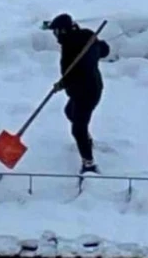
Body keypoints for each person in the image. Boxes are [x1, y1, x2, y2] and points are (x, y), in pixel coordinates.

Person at [47, 13, 110, 174]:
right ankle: (86, 139)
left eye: (56, 32)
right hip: (85, 89)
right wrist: (97, 46)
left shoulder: (72, 47)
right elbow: (104, 50)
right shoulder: (86, 36)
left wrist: (63, 83)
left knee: (78, 129)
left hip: (87, 92)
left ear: (63, 31)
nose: (55, 37)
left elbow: (77, 73)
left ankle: (89, 164)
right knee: (69, 112)